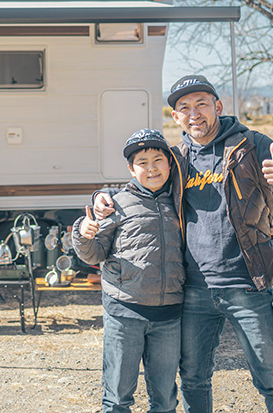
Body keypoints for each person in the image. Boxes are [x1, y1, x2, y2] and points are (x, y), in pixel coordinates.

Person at [93, 75, 273, 413]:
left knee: (272, 378)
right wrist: (102, 197)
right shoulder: (177, 158)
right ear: (176, 117)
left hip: (247, 284)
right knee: (194, 378)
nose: (194, 113)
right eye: (184, 107)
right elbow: (140, 188)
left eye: (201, 103)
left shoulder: (250, 144)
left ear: (218, 106)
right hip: (194, 290)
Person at [72, 128, 185, 413]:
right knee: (118, 398)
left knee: (166, 400)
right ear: (131, 170)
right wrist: (84, 234)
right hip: (125, 313)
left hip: (169, 315)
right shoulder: (117, 205)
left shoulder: (182, 202)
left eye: (158, 160)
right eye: (142, 163)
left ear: (169, 163)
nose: (151, 168)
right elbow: (95, 254)